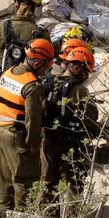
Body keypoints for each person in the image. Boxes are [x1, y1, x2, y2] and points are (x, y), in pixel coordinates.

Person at [0, 0, 48, 182]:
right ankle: (25, 169)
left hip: (3, 89)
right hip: (29, 91)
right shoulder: (41, 33)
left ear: (16, 4)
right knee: (27, 127)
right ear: (35, 8)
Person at [0, 38, 54, 209]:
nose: (45, 71)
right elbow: (32, 120)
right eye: (45, 66)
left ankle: (2, 215)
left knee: (6, 178)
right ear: (36, 63)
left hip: (2, 130)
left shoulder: (8, 73)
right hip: (17, 136)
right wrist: (34, 145)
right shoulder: (32, 85)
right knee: (25, 180)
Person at [41, 44, 100, 198]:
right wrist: (103, 133)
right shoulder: (80, 90)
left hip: (47, 141)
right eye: (86, 72)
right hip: (70, 144)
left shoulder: (48, 83)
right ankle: (73, 213)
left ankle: (46, 212)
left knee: (47, 183)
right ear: (77, 68)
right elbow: (90, 118)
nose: (86, 76)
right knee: (74, 184)